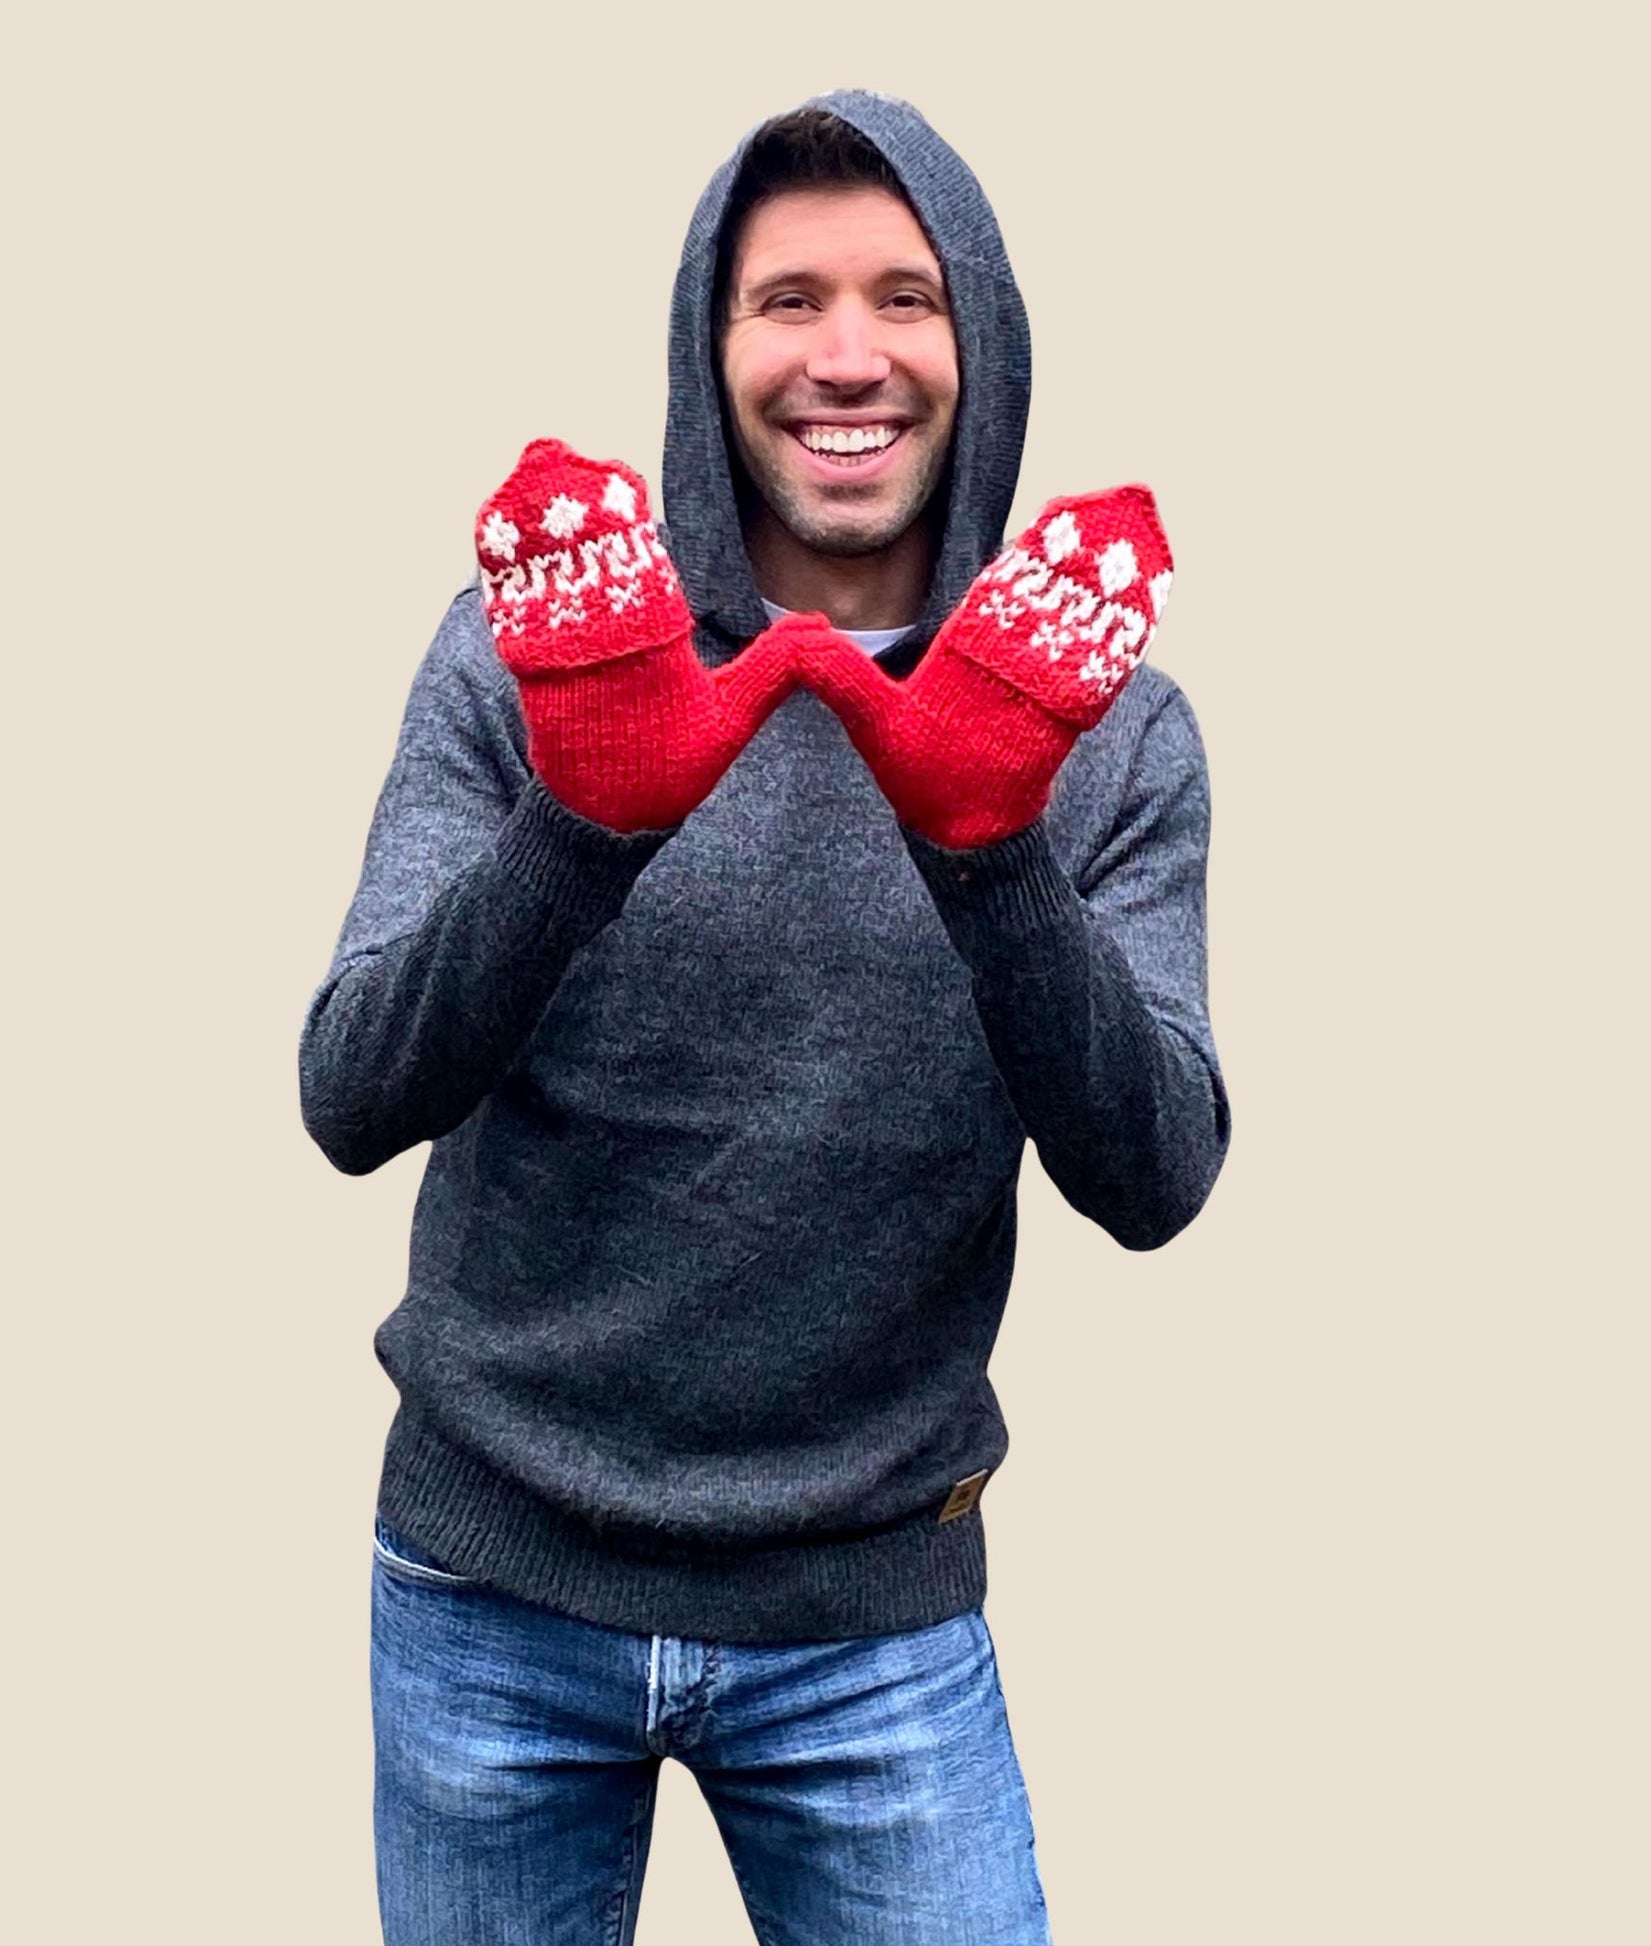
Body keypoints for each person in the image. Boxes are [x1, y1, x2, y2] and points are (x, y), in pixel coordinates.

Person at [299, 89, 1230, 1946]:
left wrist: (990, 849)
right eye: (784, 298)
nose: (847, 354)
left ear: (984, 339)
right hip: (494, 1590)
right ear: (704, 347)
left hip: (868, 1623)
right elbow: (350, 1089)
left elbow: (1154, 1173)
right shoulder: (533, 649)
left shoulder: (1102, 721)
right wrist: (584, 816)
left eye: (906, 296)